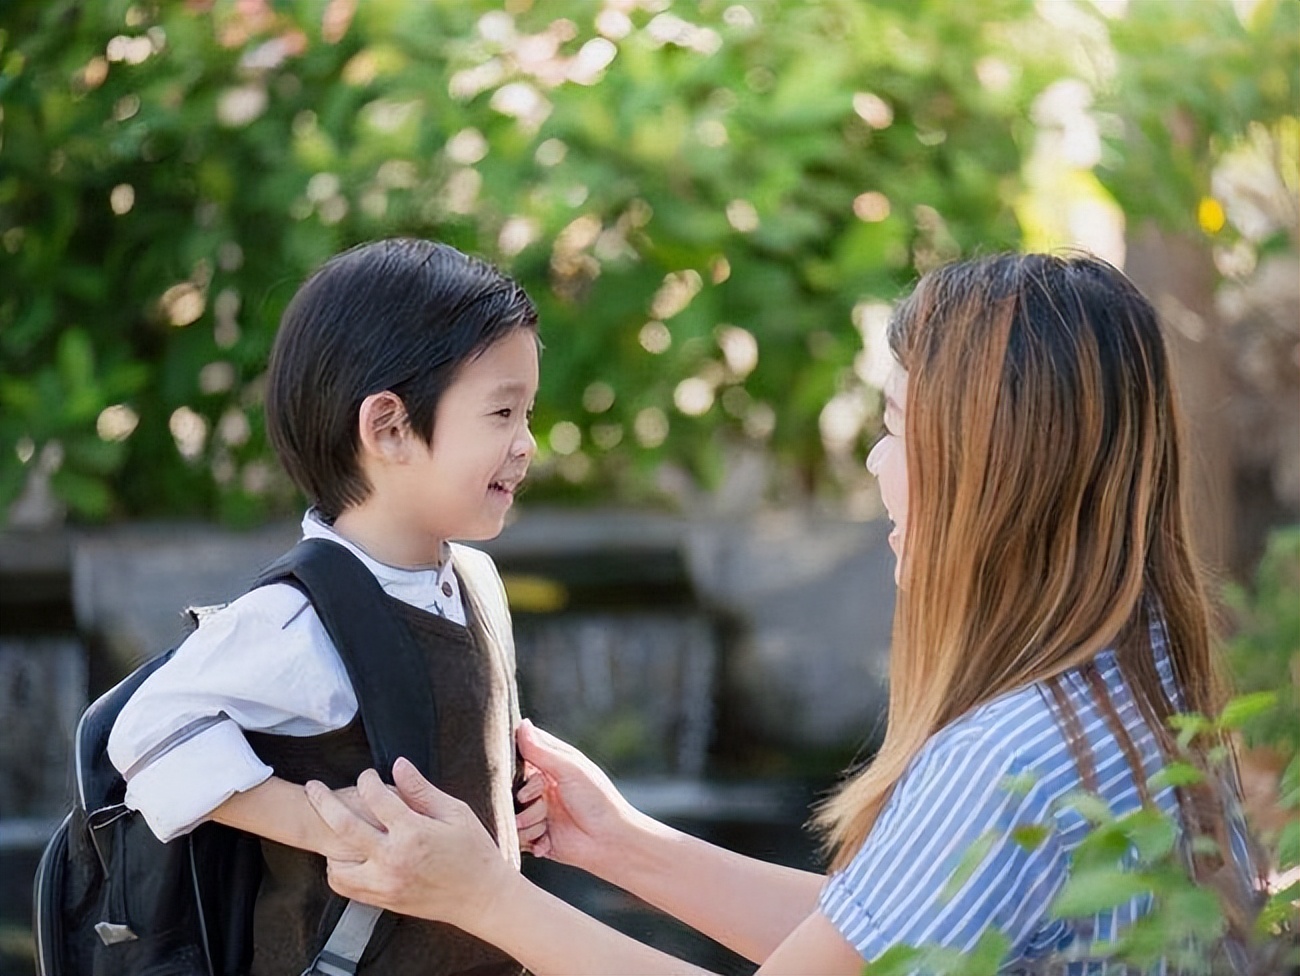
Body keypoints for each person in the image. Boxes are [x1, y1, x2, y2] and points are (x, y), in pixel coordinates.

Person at [305, 252, 1265, 974]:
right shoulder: (1140, 689)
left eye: (893, 427)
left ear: (989, 472)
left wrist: (484, 897)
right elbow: (881, 938)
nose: (876, 466)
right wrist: (623, 845)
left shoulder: (1005, 754)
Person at [107, 238, 548, 976]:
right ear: (388, 428)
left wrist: (508, 800)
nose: (527, 443)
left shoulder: (473, 579)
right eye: (502, 413)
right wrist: (333, 827)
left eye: (528, 412)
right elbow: (149, 735)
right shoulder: (300, 620)